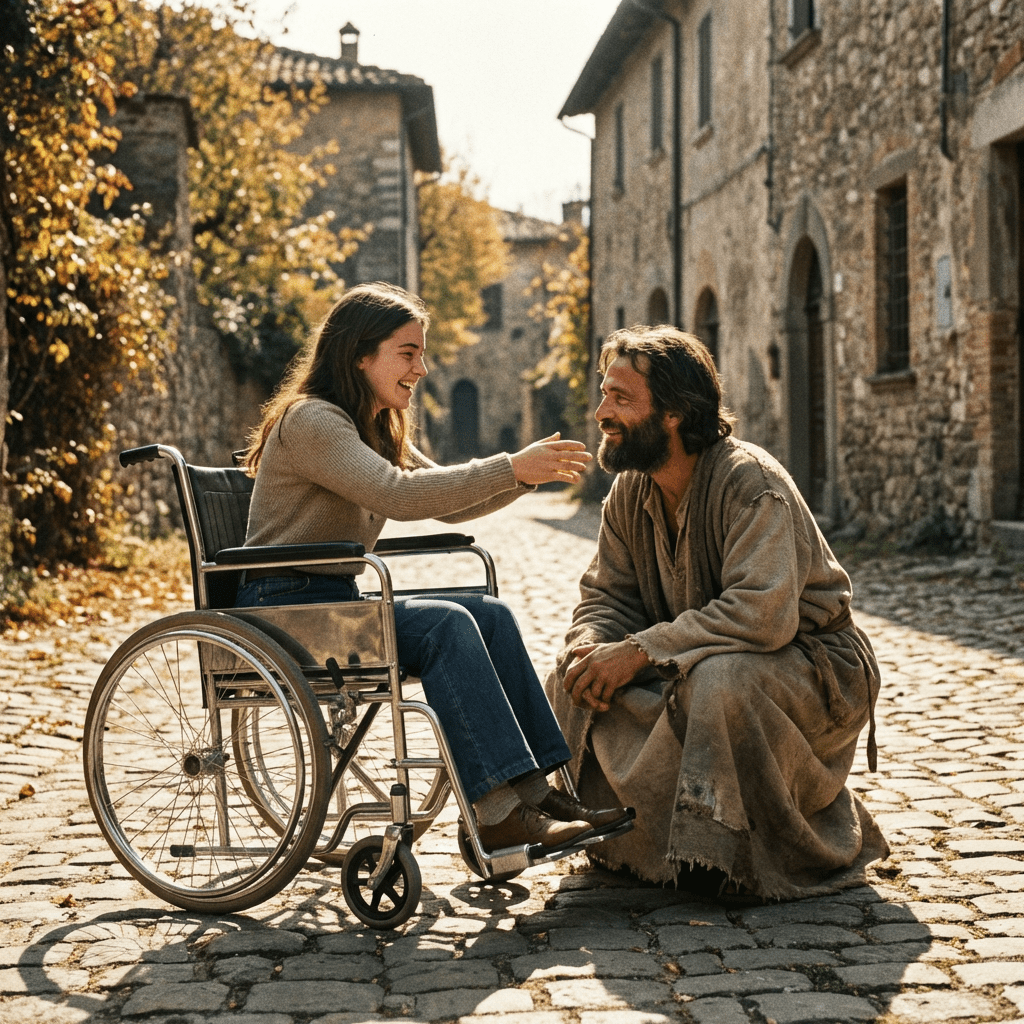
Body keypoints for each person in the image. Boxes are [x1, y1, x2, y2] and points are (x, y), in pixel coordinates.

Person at [236, 281, 631, 855]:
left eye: (421, 354)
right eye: (408, 353)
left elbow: (448, 499)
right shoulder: (314, 422)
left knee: (489, 614)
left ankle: (537, 793)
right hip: (284, 608)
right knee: (448, 625)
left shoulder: (369, 423)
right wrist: (511, 466)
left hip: (331, 603)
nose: (421, 369)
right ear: (359, 355)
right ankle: (496, 814)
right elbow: (398, 495)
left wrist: (524, 477)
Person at [544, 325, 889, 899]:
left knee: (721, 681)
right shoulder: (630, 491)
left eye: (620, 398)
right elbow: (607, 598)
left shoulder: (751, 482)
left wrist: (637, 652)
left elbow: (761, 615)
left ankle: (730, 854)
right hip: (695, 662)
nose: (601, 413)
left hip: (814, 668)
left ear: (674, 413)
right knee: (573, 676)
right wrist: (591, 646)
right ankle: (634, 841)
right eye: (604, 395)